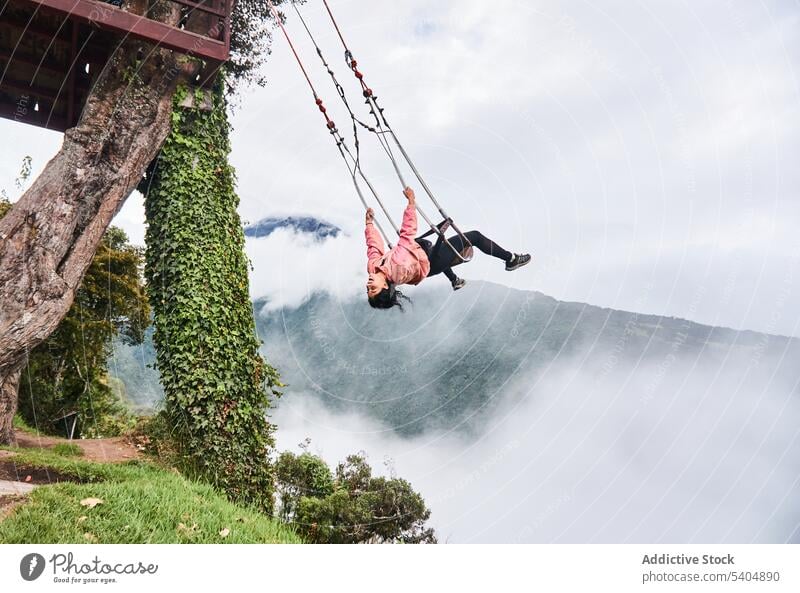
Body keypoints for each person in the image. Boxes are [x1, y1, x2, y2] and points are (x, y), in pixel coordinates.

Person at [365, 187, 531, 309]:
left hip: (422, 259)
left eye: (368, 289)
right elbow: (406, 235)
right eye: (373, 288)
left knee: (437, 249)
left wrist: (369, 224)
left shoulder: (373, 268)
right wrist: (411, 203)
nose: (368, 285)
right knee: (474, 237)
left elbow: (373, 248)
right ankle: (511, 260)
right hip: (429, 261)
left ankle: (454, 280)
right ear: (385, 286)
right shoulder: (397, 266)